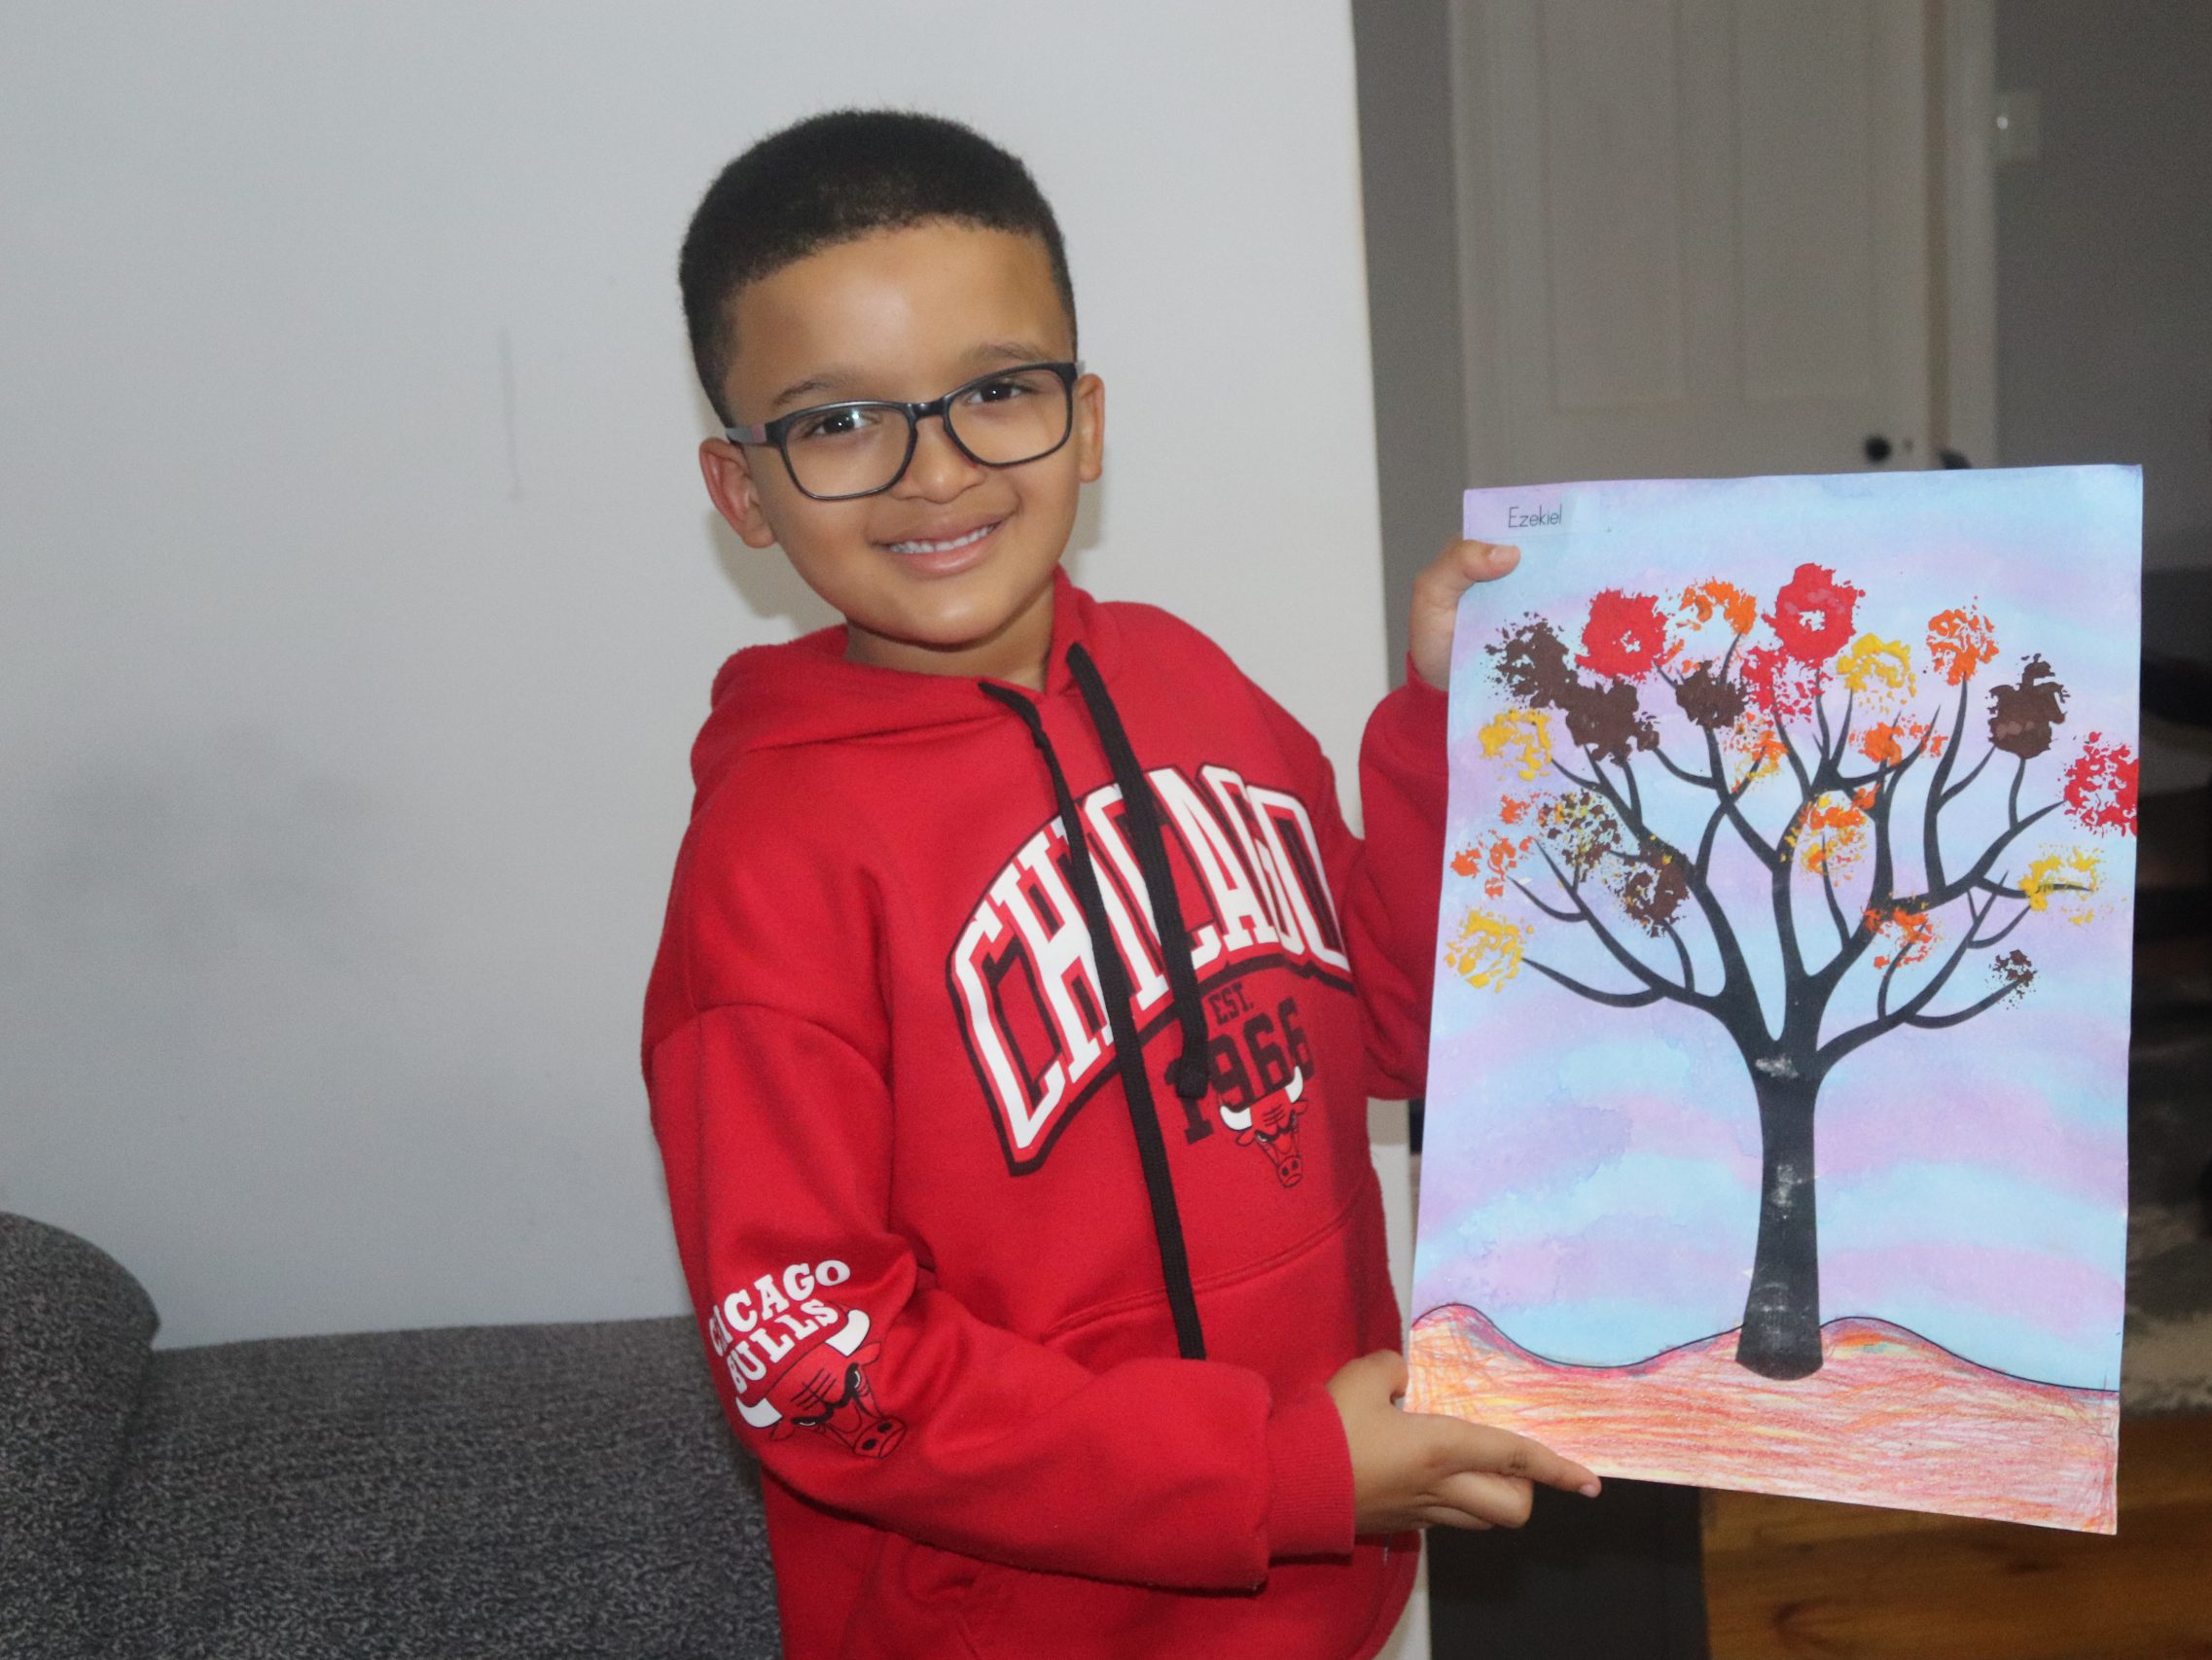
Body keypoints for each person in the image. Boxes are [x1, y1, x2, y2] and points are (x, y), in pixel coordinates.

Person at [641, 109, 1596, 1660]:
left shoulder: (1191, 685)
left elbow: (1414, 1027)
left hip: (1326, 1594)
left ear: (1086, 420)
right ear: (742, 491)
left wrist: (1452, 732)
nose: (935, 473)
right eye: (837, 424)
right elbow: (819, 1363)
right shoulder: (772, 860)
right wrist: (1277, 1468)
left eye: (998, 392)